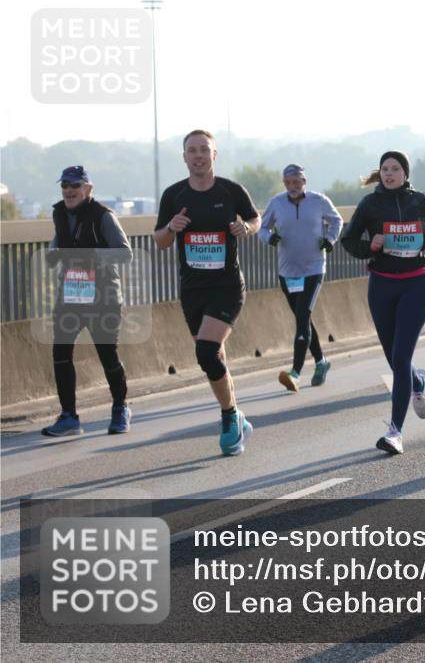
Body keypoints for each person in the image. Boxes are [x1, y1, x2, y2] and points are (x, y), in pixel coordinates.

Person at [154, 130, 260, 456]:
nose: (198, 155)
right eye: (192, 151)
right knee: (215, 356)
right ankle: (237, 414)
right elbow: (160, 240)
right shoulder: (174, 195)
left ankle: (229, 417)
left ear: (215, 155)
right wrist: (171, 227)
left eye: (204, 150)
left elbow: (255, 219)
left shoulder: (231, 191)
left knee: (205, 352)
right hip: (192, 290)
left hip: (227, 286)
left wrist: (247, 228)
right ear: (184, 158)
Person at [341, 151, 425, 454]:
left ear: (405, 173)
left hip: (415, 283)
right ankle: (417, 380)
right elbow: (349, 240)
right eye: (384, 169)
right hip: (382, 285)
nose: (388, 173)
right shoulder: (370, 204)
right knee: (393, 356)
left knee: (400, 358)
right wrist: (369, 247)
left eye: (395, 169)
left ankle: (395, 432)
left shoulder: (420, 201)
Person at [41, 166, 133, 436]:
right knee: (60, 353)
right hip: (71, 294)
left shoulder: (103, 216)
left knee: (107, 354)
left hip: (103, 297)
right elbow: (56, 245)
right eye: (64, 186)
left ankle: (120, 408)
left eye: (74, 185)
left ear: (87, 189)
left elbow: (125, 254)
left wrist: (91, 256)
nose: (68, 191)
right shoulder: (59, 213)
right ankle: (69, 417)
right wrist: (53, 255)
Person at [259, 164, 343, 392]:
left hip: (314, 268)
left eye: (296, 182)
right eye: (288, 183)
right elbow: (262, 228)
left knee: (303, 314)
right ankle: (321, 362)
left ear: (304, 181)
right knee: (302, 318)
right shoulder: (276, 203)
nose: (292, 187)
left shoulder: (319, 201)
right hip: (288, 272)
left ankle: (295, 372)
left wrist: (330, 239)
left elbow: (337, 220)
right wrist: (269, 238)